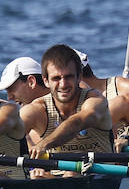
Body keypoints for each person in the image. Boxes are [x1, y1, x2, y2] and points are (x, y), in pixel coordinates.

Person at [19, 44, 114, 176]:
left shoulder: (95, 101)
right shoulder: (37, 109)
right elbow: (10, 134)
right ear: (46, 80)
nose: (63, 85)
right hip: (57, 178)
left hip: (101, 175)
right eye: (56, 78)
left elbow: (77, 123)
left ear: (79, 77)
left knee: (71, 173)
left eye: (68, 77)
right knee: (37, 177)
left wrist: (44, 144)